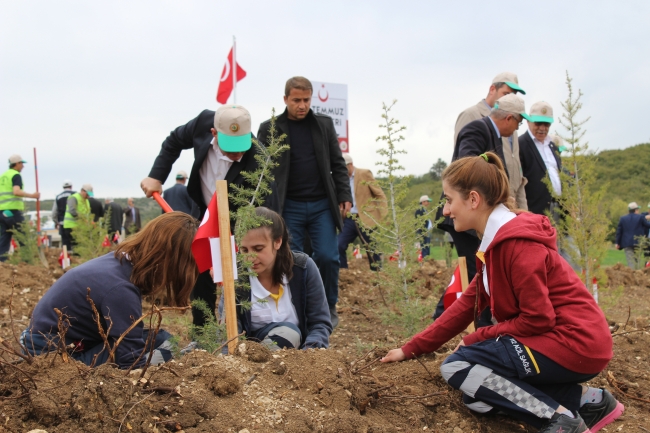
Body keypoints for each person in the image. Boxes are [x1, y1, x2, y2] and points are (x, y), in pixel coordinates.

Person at [382, 152, 623, 433]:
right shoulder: (495, 243)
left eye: (448, 200)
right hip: (561, 340)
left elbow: (538, 319)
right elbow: (464, 306)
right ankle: (587, 402)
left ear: (473, 199)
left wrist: (476, 338)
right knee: (476, 395)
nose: (445, 211)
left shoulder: (517, 245)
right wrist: (411, 348)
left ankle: (558, 420)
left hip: (575, 341)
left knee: (456, 368)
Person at [141, 104, 273, 329]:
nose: (237, 154)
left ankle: (242, 331)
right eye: (230, 148)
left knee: (241, 277)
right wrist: (156, 176)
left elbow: (269, 206)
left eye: (241, 147)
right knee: (200, 273)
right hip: (205, 214)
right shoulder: (202, 123)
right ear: (214, 133)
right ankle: (202, 334)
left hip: (239, 223)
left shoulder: (258, 158)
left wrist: (253, 239)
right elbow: (173, 141)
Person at [21, 212, 199, 368]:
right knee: (169, 345)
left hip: (42, 342)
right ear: (171, 262)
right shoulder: (121, 289)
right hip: (53, 358)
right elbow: (129, 360)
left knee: (159, 339)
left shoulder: (118, 263)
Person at [257, 76, 353, 328]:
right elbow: (262, 171)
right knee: (292, 258)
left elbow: (337, 163)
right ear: (285, 99)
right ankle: (296, 308)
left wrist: (345, 195)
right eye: (296, 100)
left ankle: (328, 306)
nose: (302, 105)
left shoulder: (323, 124)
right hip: (289, 207)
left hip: (322, 204)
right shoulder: (270, 129)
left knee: (328, 257)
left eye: (306, 100)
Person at [434, 94, 531, 324]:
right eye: (519, 122)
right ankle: (480, 328)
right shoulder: (477, 129)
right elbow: (467, 169)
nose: (518, 127)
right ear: (509, 118)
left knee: (474, 273)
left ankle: (444, 321)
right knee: (480, 274)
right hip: (466, 215)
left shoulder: (493, 134)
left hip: (475, 214)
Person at [222, 207, 332, 350]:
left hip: (298, 358)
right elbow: (226, 331)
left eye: (258, 249)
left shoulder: (303, 269)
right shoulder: (236, 277)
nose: (250, 258)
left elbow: (320, 323)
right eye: (244, 250)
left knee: (289, 333)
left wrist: (308, 356)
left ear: (277, 242)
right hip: (247, 356)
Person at [453, 72, 527, 210]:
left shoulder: (509, 127)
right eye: (506, 93)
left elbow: (517, 174)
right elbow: (464, 165)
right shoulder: (471, 117)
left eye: (514, 95)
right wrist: (499, 197)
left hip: (503, 206)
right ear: (492, 89)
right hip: (476, 209)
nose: (510, 98)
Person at [337, 153, 387, 271]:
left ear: (350, 165)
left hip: (366, 217)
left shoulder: (364, 174)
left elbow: (380, 194)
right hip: (349, 218)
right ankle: (344, 273)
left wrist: (383, 216)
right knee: (339, 245)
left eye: (343, 168)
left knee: (371, 248)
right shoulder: (340, 179)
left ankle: (377, 276)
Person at [519, 102, 563, 216]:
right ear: (528, 121)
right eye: (538, 123)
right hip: (534, 209)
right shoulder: (520, 145)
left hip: (558, 208)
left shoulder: (553, 147)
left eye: (547, 124)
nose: (543, 128)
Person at [0, 154, 40, 261]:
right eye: (22, 163)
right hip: (12, 211)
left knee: (4, 238)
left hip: (2, 212)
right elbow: (16, 191)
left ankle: (1, 263)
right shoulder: (15, 175)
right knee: (24, 236)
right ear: (17, 164)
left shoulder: (3, 176)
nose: (23, 166)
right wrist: (32, 195)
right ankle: (27, 262)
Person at [615, 202, 650, 269]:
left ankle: (631, 274)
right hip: (638, 242)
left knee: (630, 261)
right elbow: (647, 225)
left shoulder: (623, 218)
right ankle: (636, 274)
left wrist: (617, 242)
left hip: (627, 243)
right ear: (636, 210)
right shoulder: (640, 217)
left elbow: (619, 231)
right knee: (636, 261)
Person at [63, 184, 92, 253]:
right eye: (87, 194)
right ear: (82, 191)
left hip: (80, 228)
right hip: (71, 226)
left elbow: (87, 213)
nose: (88, 196)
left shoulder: (86, 201)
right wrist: (82, 219)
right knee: (72, 248)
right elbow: (72, 211)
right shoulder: (74, 198)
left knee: (80, 248)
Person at [52, 180, 75, 252]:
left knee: (65, 243)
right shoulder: (75, 195)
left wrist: (56, 222)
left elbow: (54, 212)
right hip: (74, 223)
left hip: (62, 223)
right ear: (71, 187)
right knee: (75, 243)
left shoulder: (58, 197)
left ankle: (67, 259)